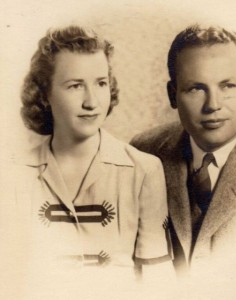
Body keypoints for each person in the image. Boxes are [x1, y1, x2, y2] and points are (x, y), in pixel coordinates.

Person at [12, 25, 172, 281]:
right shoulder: (13, 174)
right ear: (45, 94)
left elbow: (158, 281)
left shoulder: (143, 171)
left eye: (100, 83)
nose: (92, 102)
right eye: (75, 86)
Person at [131, 24, 236, 275]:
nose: (213, 105)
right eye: (196, 88)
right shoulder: (144, 152)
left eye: (228, 86)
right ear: (173, 95)